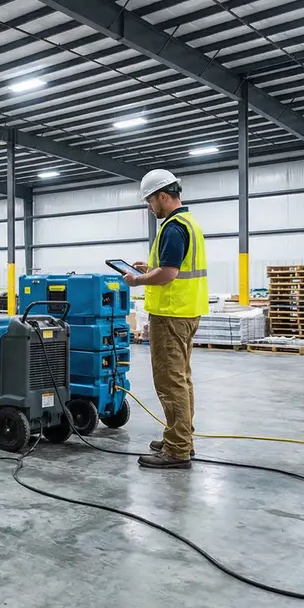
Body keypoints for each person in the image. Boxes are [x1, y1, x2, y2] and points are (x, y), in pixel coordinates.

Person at [121, 169, 208, 470]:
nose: (149, 207)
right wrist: (151, 265)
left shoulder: (172, 227)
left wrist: (138, 279)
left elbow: (169, 274)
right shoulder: (188, 222)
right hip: (186, 311)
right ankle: (181, 437)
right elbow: (174, 265)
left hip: (171, 315)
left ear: (162, 195)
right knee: (181, 380)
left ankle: (177, 449)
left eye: (150, 201)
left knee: (170, 382)